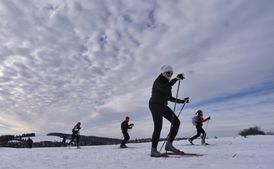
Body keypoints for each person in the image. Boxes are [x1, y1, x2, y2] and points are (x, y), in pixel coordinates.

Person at [149, 65, 189, 157]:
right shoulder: (158, 80)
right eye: (168, 73)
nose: (170, 75)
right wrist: (176, 79)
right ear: (163, 73)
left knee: (176, 122)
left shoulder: (167, 83)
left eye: (171, 73)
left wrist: (183, 101)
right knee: (158, 127)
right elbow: (164, 88)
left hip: (163, 106)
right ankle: (153, 150)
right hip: (155, 105)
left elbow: (170, 98)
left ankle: (169, 145)